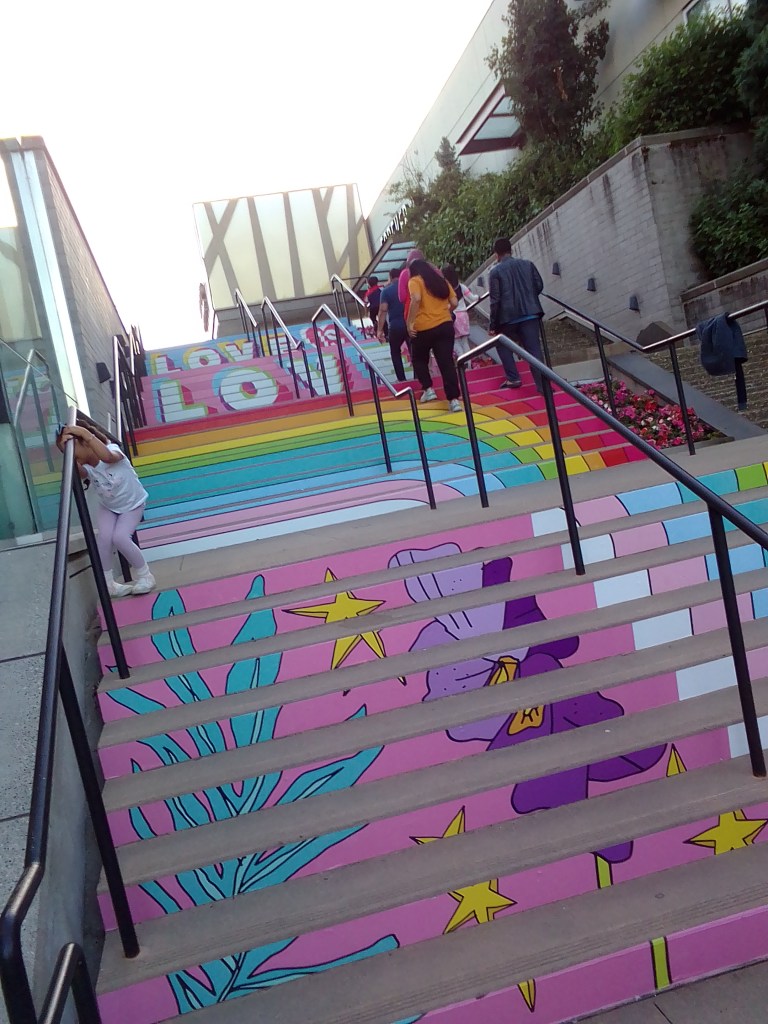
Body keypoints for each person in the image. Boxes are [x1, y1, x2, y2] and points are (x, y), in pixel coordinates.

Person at [57, 423, 155, 597]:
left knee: (120, 537)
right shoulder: (87, 467)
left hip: (133, 504)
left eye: (72, 448)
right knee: (103, 539)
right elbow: (80, 473)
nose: (70, 454)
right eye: (65, 451)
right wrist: (66, 451)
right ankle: (109, 584)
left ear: (85, 442)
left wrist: (85, 434)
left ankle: (145, 576)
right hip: (109, 507)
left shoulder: (112, 450)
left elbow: (108, 457)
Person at [488, 237, 545, 392]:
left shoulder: (495, 272)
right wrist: (529, 298)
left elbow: (495, 300)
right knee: (534, 350)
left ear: (496, 254)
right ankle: (542, 386)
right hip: (530, 314)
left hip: (507, 318)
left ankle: (513, 378)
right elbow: (539, 285)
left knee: (501, 343)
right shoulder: (528, 265)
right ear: (511, 250)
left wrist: (493, 325)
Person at [406, 258, 461, 413]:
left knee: (418, 359)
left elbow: (416, 299)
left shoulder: (415, 281)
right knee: (446, 363)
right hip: (445, 326)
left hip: (423, 328)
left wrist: (410, 323)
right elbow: (454, 302)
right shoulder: (441, 281)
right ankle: (454, 400)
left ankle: (428, 389)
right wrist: (445, 313)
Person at [377, 267, 411, 383]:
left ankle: (402, 379)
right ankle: (418, 377)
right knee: (414, 351)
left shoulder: (386, 291)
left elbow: (383, 310)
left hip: (395, 326)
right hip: (410, 323)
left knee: (395, 352)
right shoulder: (409, 287)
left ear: (390, 277)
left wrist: (379, 330)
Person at [441, 264, 478, 361]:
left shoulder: (445, 289)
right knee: (465, 342)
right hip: (463, 316)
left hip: (452, 316)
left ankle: (462, 359)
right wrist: (478, 297)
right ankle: (468, 363)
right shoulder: (461, 287)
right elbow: (473, 298)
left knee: (455, 341)